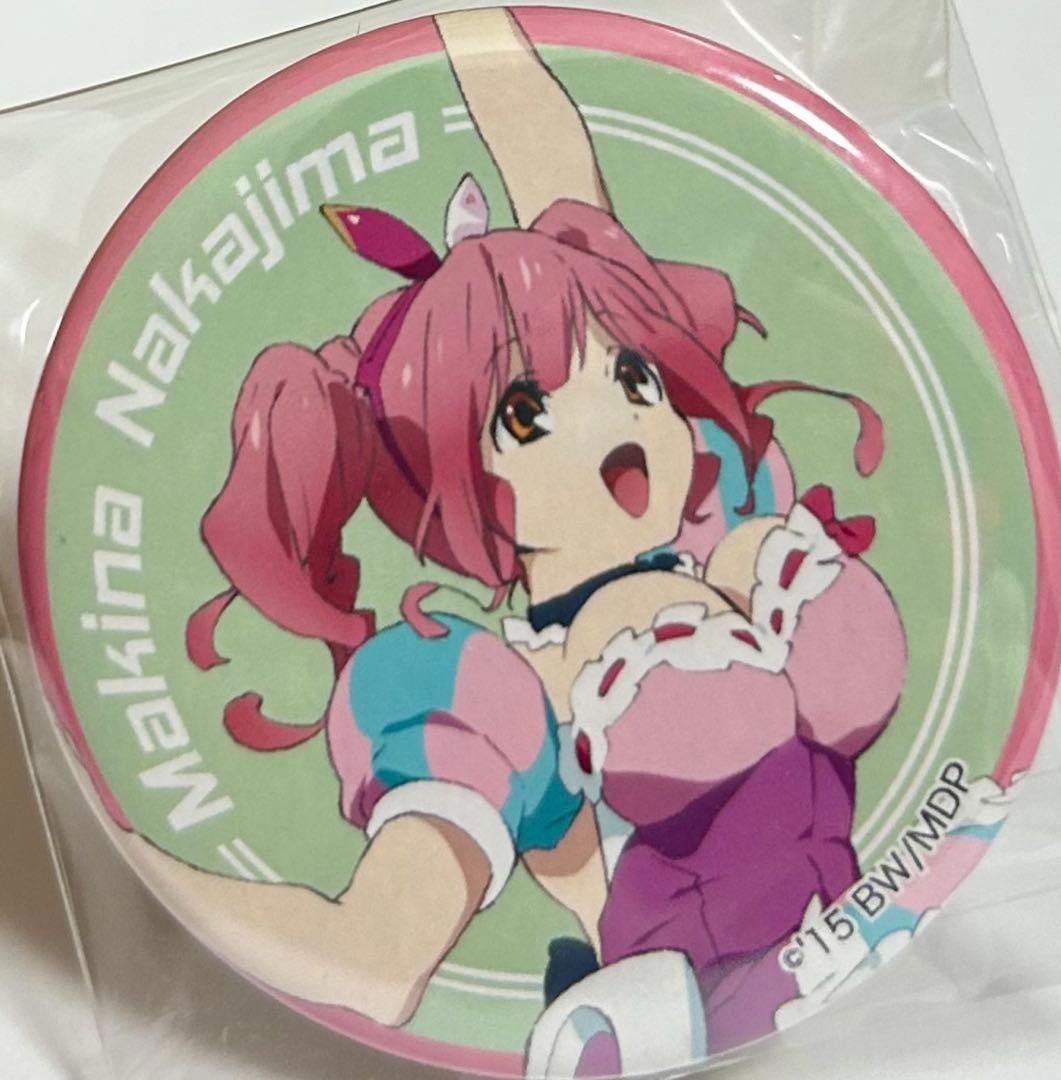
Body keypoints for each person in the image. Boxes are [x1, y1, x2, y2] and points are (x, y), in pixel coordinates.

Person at [99, 9, 906, 1069]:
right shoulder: (497, 690)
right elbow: (376, 955)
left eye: (632, 377)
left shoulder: (726, 513)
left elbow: (556, 170)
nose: (616, 425)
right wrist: (126, 844)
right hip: (678, 1005)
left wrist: (475, 26)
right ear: (456, 489)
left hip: (875, 919)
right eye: (524, 418)